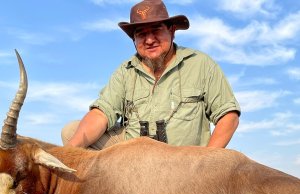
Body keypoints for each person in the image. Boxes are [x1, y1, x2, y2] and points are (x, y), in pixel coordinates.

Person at [62, 0, 240, 149]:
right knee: (71, 134)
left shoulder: (201, 64)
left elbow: (228, 115)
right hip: (134, 160)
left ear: (172, 31)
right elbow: (102, 113)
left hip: (186, 163)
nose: (149, 40)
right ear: (134, 40)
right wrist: (67, 154)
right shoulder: (125, 71)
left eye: (156, 30)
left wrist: (206, 162)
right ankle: (117, 185)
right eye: (141, 34)